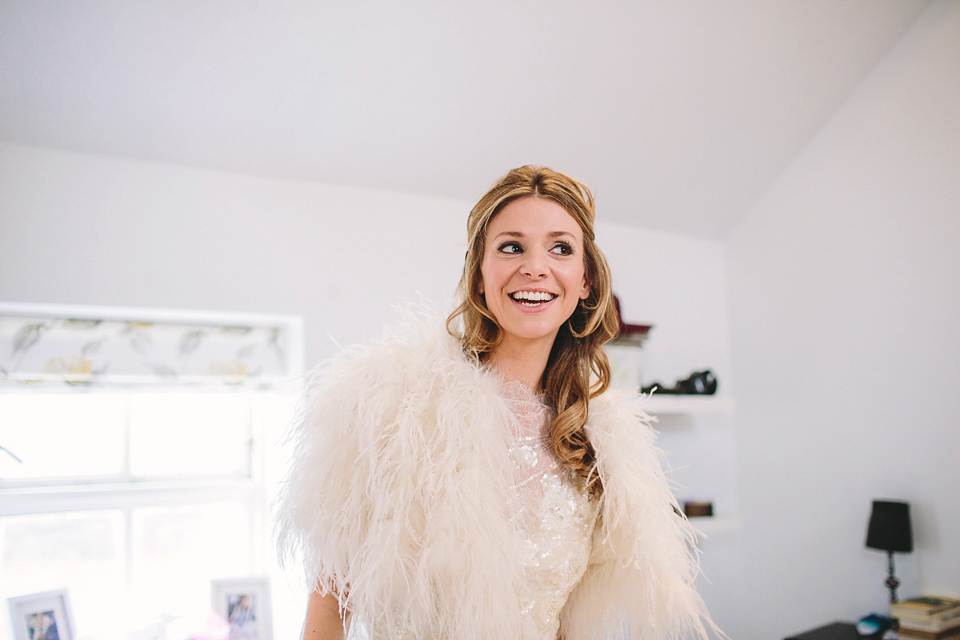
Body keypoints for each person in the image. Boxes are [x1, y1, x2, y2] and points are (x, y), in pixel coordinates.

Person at [277, 166, 717, 640]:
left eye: (561, 248)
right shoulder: (390, 410)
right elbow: (330, 601)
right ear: (480, 276)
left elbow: (562, 621)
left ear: (585, 280)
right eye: (511, 247)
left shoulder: (599, 441)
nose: (535, 267)